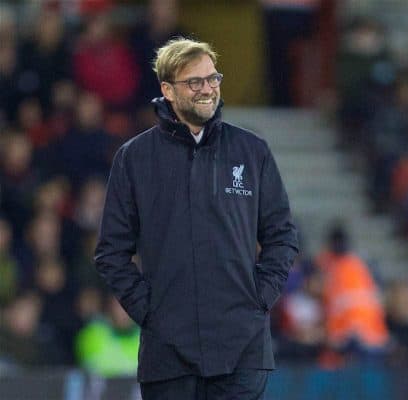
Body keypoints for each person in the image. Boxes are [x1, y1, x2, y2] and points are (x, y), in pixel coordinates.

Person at [94, 38, 299, 399]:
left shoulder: (252, 151)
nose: (207, 89)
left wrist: (259, 298)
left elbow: (282, 236)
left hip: (242, 350)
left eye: (212, 78)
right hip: (167, 355)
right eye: (195, 82)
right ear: (167, 90)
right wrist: (150, 311)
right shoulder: (135, 158)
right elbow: (111, 252)